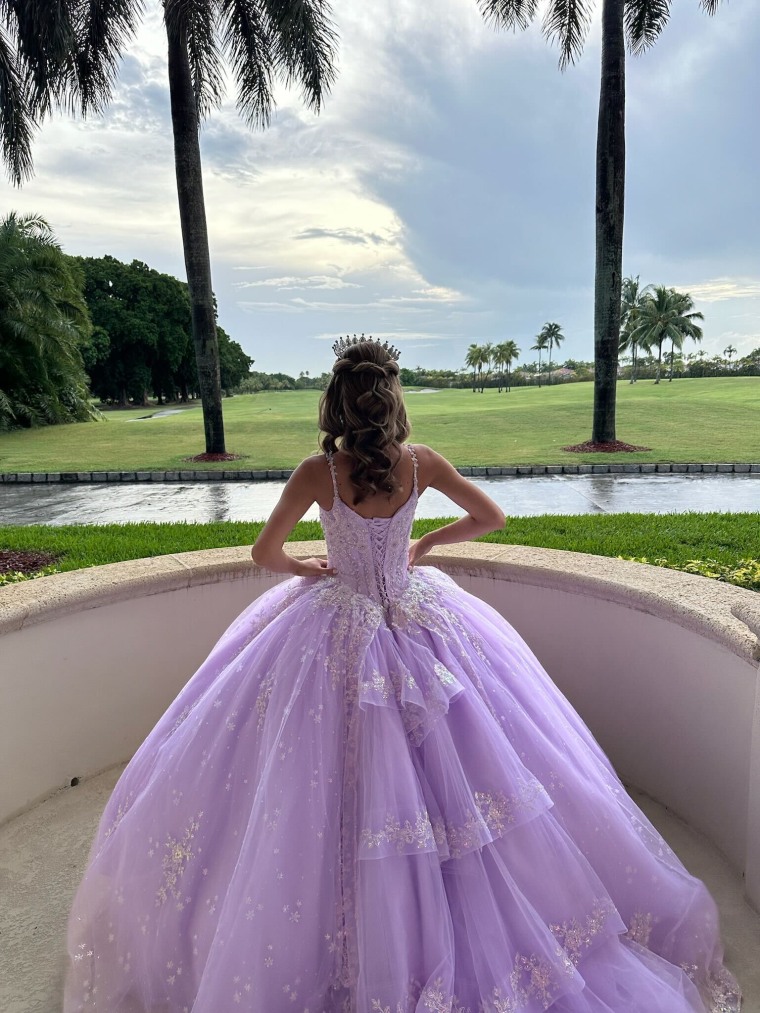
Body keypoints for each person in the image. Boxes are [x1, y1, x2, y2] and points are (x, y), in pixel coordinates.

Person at [65, 336, 741, 1013]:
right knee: (473, 780)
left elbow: (264, 551)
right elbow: (491, 516)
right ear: (393, 400)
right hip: (421, 620)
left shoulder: (318, 473)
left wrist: (307, 567)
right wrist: (423, 544)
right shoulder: (422, 464)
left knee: (308, 785)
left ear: (335, 403)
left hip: (334, 630)